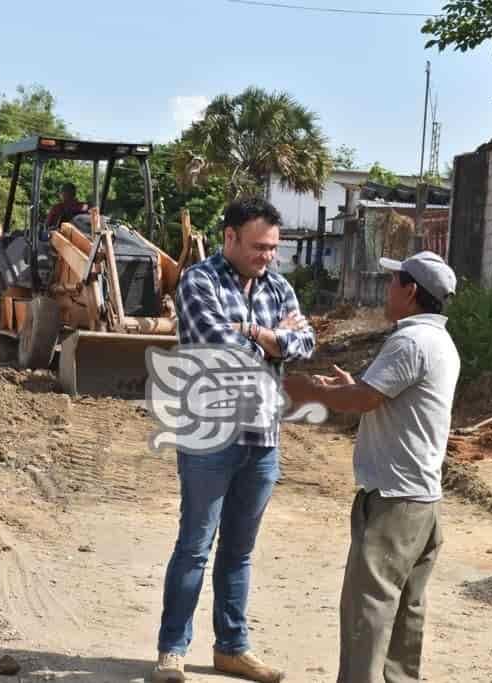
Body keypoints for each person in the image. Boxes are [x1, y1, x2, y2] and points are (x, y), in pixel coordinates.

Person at [152, 197, 315, 683]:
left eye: (272, 248)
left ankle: (232, 647)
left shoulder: (281, 286)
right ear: (229, 238)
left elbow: (306, 344)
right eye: (259, 246)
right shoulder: (199, 280)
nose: (268, 256)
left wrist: (254, 333)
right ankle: (171, 650)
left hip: (263, 436)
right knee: (195, 546)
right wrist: (270, 338)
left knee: (239, 550)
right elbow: (214, 344)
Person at [282, 251, 460, 683]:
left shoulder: (410, 341)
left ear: (411, 290)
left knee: (368, 611)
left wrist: (311, 392)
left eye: (392, 282)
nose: (386, 290)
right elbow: (376, 396)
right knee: (406, 612)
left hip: (394, 501)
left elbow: (365, 400)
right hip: (421, 500)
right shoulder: (438, 341)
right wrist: (349, 388)